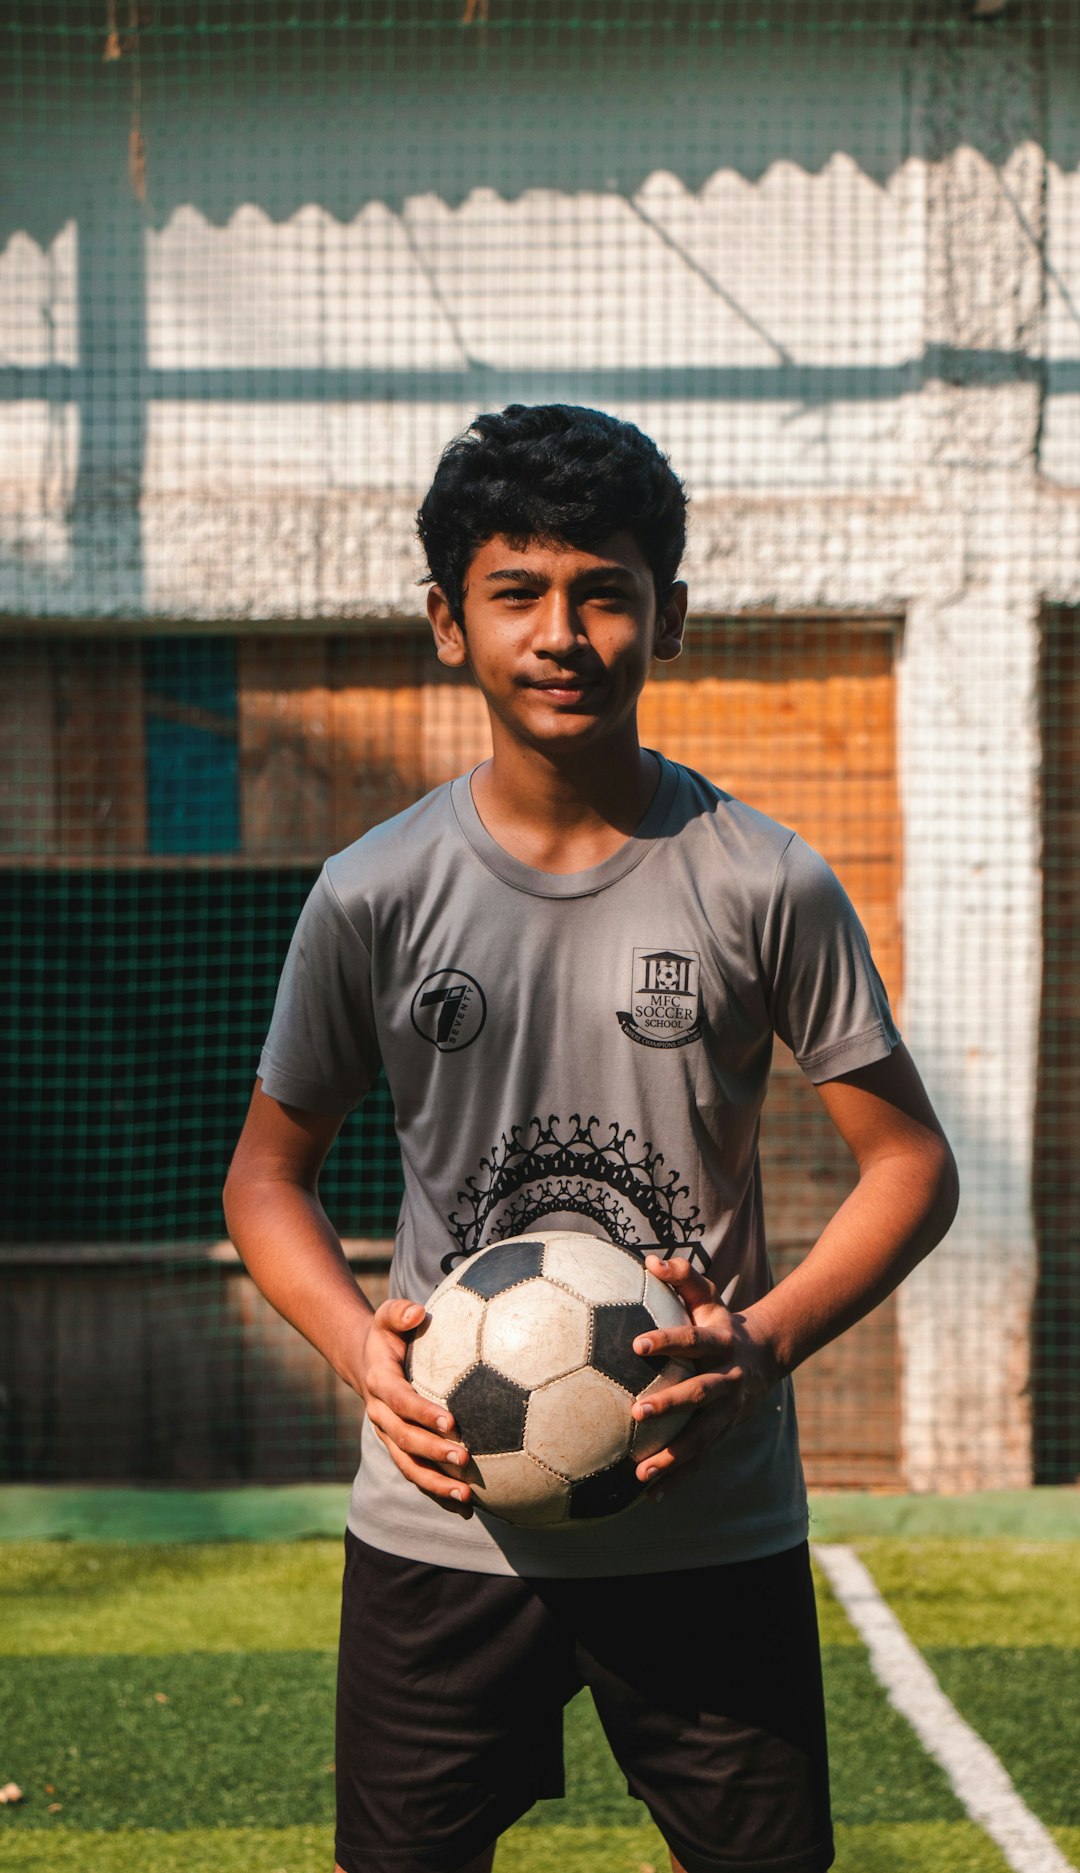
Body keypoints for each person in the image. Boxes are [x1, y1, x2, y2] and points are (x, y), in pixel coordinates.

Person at [223, 403, 958, 1873]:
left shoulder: (765, 883)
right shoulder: (374, 894)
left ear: (667, 617)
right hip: (447, 1526)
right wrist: (360, 1346)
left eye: (604, 589)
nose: (562, 631)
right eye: (517, 592)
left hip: (708, 1515)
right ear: (449, 622)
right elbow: (265, 1176)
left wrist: (765, 1343)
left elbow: (912, 1164)